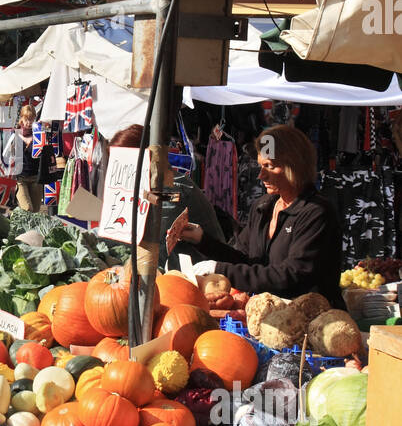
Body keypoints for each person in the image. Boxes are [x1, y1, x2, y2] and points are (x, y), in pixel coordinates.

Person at [167, 124, 343, 302]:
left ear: (295, 166)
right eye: (260, 166)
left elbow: (291, 274)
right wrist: (202, 240)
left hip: (314, 319)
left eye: (270, 166)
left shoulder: (317, 213)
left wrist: (220, 269)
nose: (261, 176)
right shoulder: (264, 206)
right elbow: (245, 261)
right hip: (271, 314)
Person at [105, 124, 225, 265]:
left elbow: (154, 238)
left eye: (122, 162)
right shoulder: (147, 185)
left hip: (201, 272)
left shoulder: (171, 187)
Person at [5, 103, 55, 213]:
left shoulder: (39, 134)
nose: (29, 122)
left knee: (36, 210)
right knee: (27, 208)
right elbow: (7, 155)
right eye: (26, 119)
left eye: (31, 119)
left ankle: (25, 228)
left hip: (36, 177)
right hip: (20, 178)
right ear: (21, 118)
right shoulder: (14, 134)